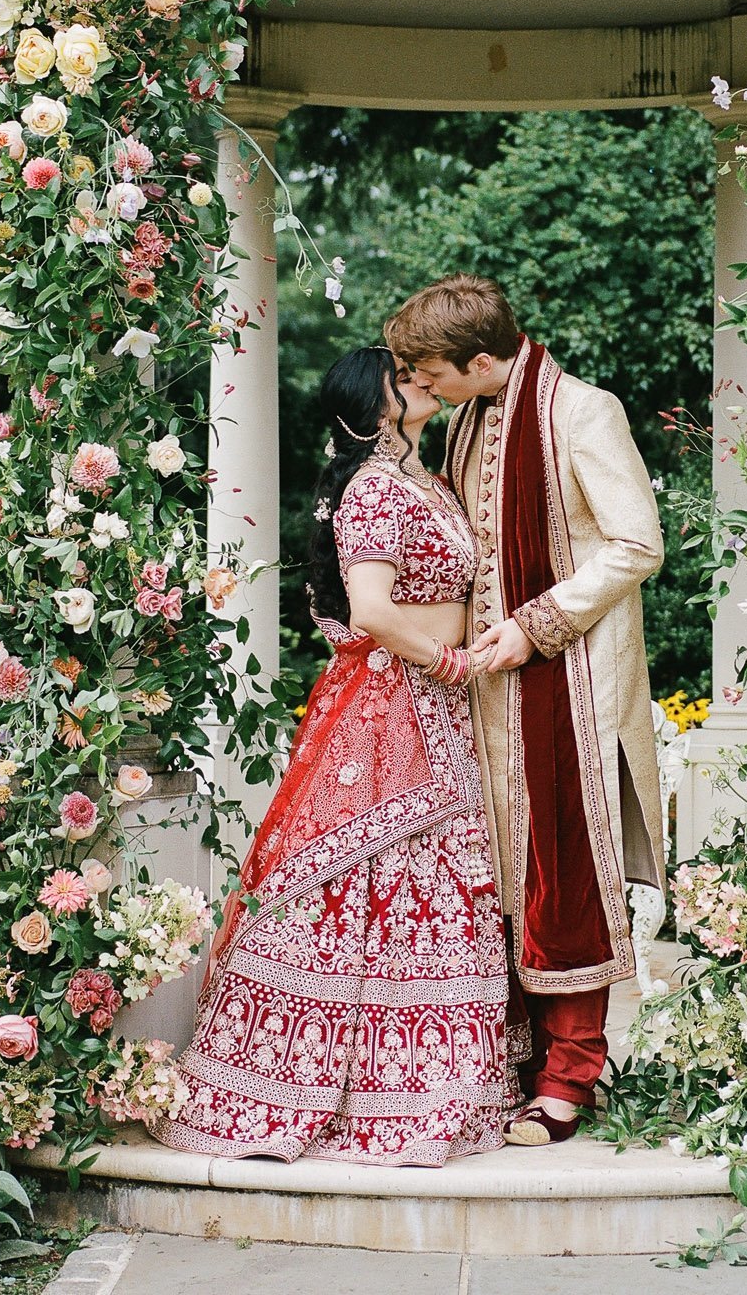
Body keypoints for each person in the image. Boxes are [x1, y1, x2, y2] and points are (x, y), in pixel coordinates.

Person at [151, 347, 510, 1164]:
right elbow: (374, 611)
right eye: (401, 376)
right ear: (371, 404)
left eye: (419, 373)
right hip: (397, 700)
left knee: (440, 877)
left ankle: (433, 1078)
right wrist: (449, 662)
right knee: (373, 879)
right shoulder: (376, 487)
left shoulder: (430, 480)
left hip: (439, 703)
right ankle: (331, 1084)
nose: (420, 380)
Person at [386, 276, 665, 1146]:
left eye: (430, 372)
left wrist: (537, 625)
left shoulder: (584, 412)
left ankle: (570, 1077)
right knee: (498, 871)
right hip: (484, 683)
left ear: (479, 359)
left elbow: (637, 542)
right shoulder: (468, 416)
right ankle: (509, 1056)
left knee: (566, 868)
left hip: (567, 679)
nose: (421, 387)